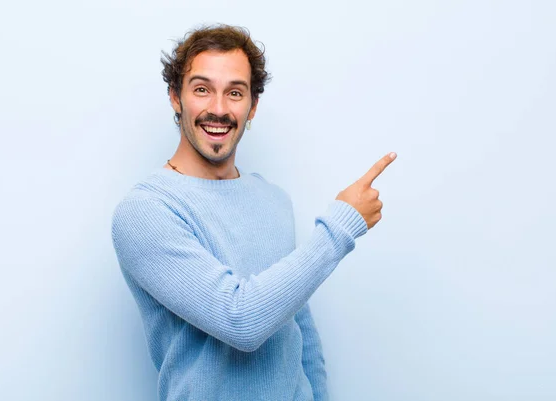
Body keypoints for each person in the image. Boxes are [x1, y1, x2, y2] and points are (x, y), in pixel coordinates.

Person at [111, 24, 397, 401]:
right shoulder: (146, 211)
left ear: (253, 105)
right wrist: (341, 225)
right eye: (201, 89)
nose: (218, 108)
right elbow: (240, 319)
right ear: (175, 98)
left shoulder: (273, 199)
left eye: (235, 92)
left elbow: (299, 331)